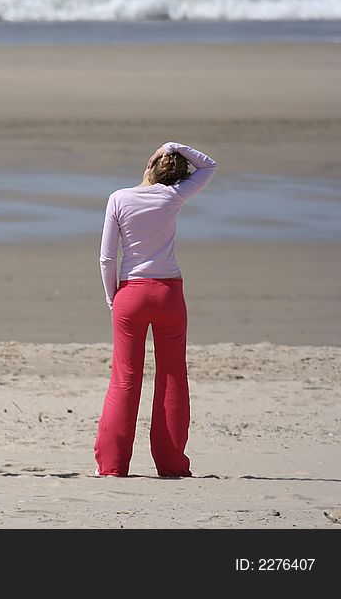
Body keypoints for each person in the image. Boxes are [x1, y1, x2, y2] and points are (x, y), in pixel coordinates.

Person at [95, 142, 217, 477]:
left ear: (150, 163)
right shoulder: (173, 196)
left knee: (125, 379)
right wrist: (175, 146)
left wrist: (111, 298)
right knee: (173, 375)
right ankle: (172, 464)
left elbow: (107, 257)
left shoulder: (119, 198)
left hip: (130, 295)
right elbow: (209, 166)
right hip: (168, 293)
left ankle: (113, 465)